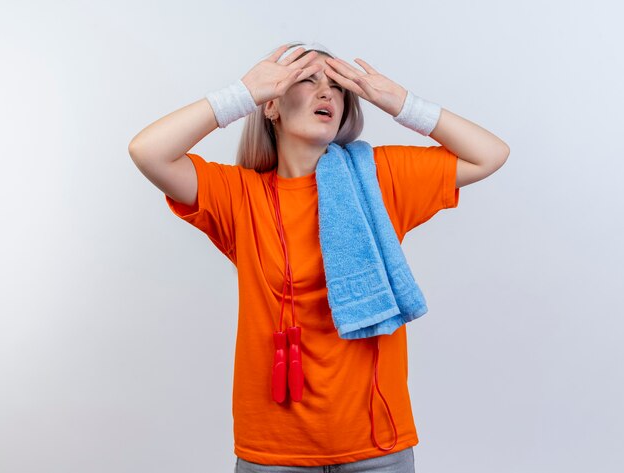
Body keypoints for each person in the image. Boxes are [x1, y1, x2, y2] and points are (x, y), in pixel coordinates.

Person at [128, 41, 510, 472]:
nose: (327, 93)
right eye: (307, 80)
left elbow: (490, 154)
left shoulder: (379, 180)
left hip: (377, 447)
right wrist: (243, 93)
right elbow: (148, 151)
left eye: (337, 88)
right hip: (274, 452)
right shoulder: (239, 196)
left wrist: (400, 103)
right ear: (271, 106)